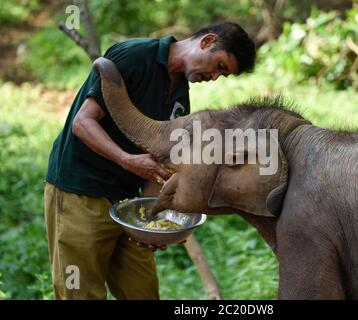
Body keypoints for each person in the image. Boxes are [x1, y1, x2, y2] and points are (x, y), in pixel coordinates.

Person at [43, 22, 256, 300]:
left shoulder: (180, 100)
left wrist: (152, 223)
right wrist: (126, 160)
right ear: (207, 41)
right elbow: (82, 124)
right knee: (79, 292)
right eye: (219, 66)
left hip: (126, 204)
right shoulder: (133, 56)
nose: (214, 77)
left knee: (142, 292)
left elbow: (157, 166)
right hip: (80, 193)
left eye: (222, 75)